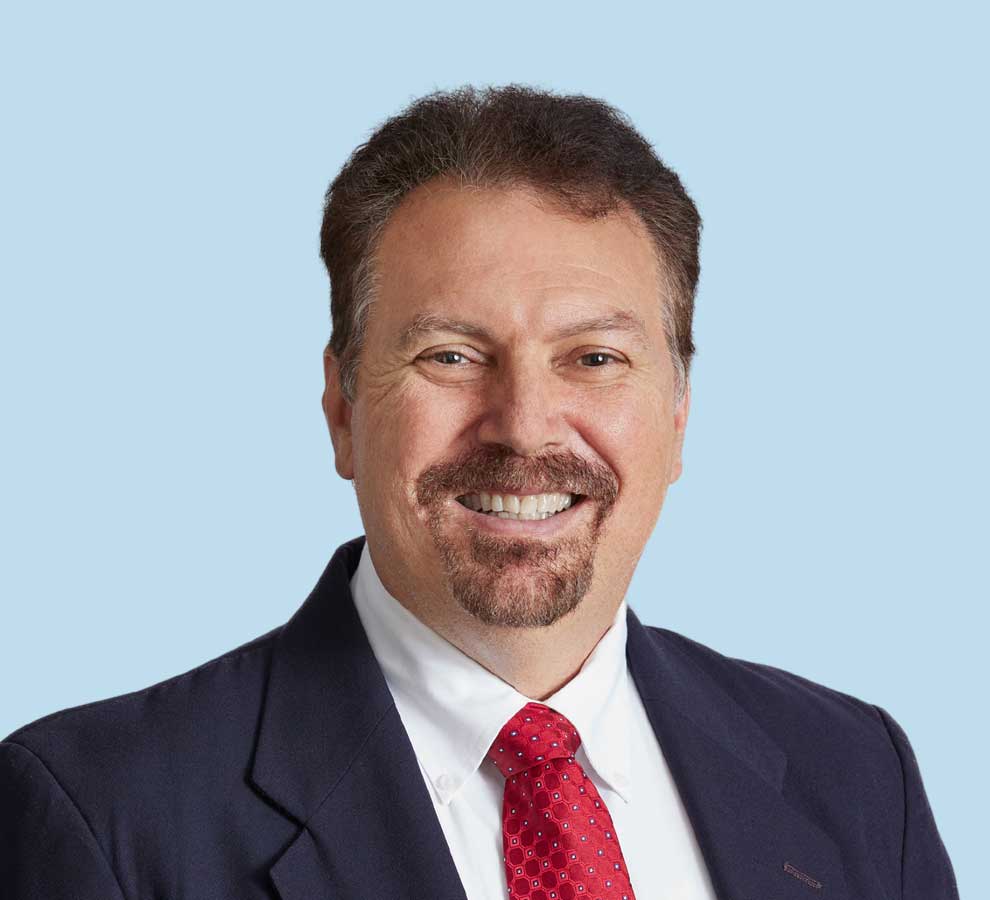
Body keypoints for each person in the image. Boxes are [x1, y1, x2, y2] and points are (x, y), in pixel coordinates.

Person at [0, 85, 958, 900]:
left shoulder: (858, 775)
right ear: (341, 409)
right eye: (451, 356)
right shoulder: (101, 817)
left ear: (678, 415)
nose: (526, 425)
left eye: (595, 357)